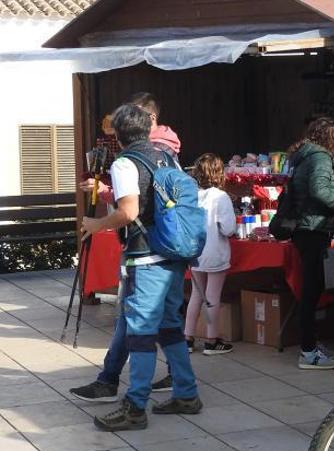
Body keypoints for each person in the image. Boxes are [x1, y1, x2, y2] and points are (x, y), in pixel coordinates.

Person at [80, 104, 201, 431]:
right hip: (173, 253)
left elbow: (129, 211)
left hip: (146, 257)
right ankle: (187, 394)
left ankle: (134, 407)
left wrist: (96, 224)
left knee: (141, 331)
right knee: (169, 325)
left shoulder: (125, 163)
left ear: (118, 135)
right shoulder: (166, 156)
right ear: (148, 130)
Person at [283, 117, 334, 370]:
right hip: (313, 228)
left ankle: (311, 345)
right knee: (311, 290)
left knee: (312, 289)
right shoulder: (319, 158)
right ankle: (308, 351)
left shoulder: (305, 156)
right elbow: (319, 190)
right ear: (332, 140)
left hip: (307, 228)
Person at [183, 153, 236, 355]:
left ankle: (187, 338)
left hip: (195, 252)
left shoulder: (191, 195)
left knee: (197, 294)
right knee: (213, 296)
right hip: (215, 252)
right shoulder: (221, 197)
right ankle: (212, 340)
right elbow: (228, 229)